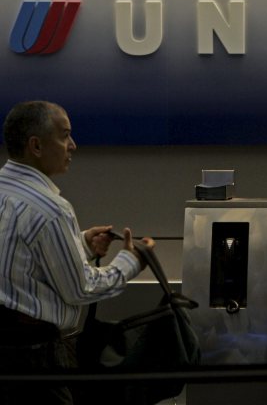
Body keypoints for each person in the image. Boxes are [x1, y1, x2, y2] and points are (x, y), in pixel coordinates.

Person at [0, 101, 154, 404]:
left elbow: (15, 257)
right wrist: (131, 261)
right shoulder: (51, 209)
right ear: (36, 145)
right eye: (65, 135)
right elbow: (80, 289)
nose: (73, 145)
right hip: (31, 356)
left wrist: (80, 244)